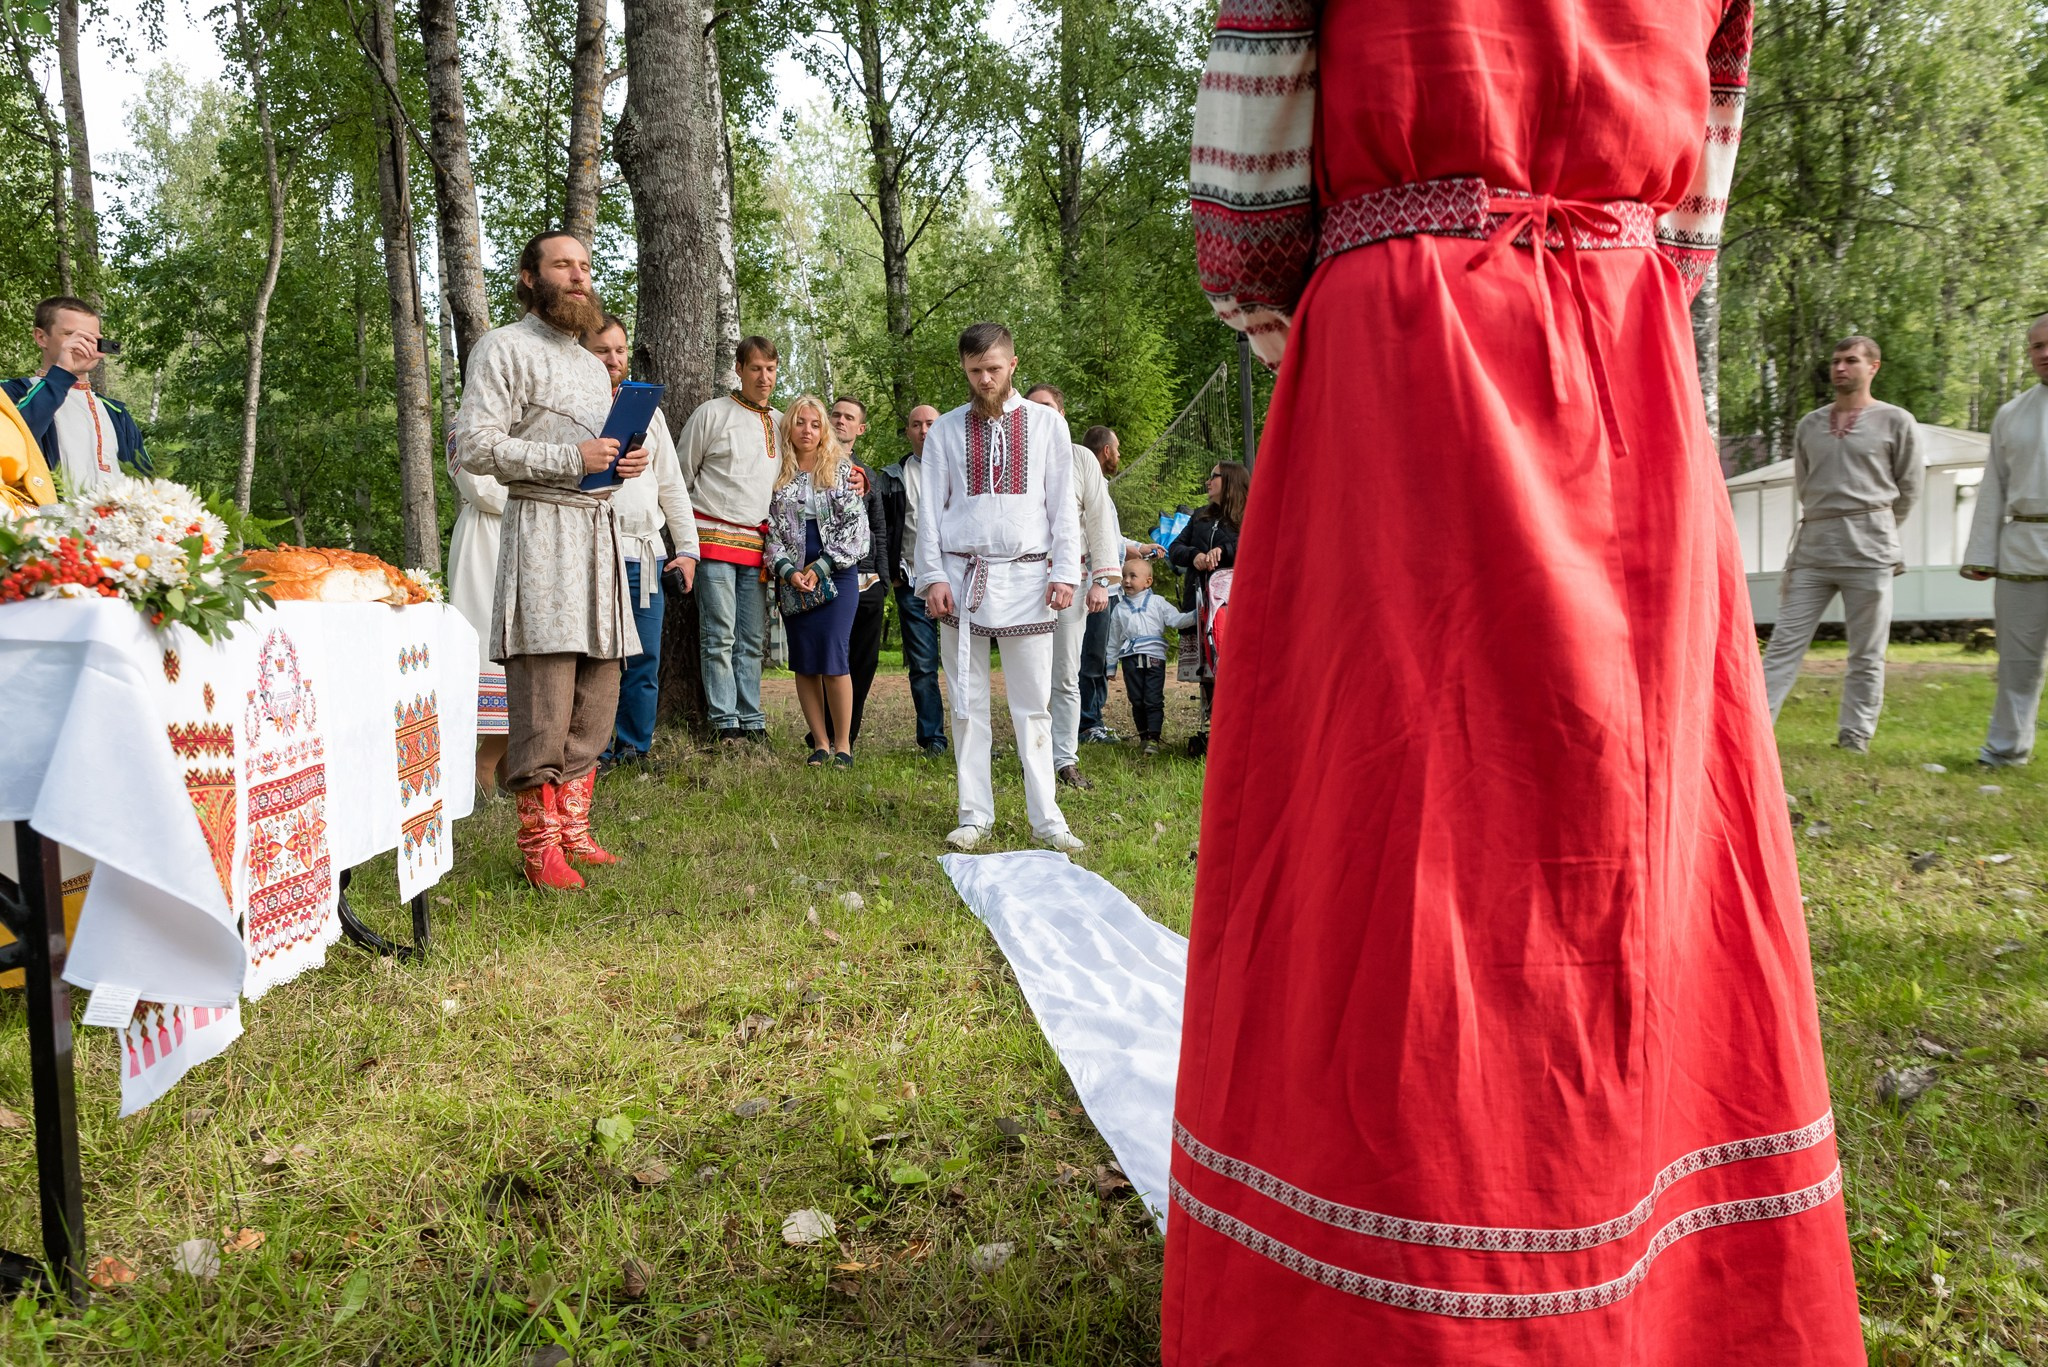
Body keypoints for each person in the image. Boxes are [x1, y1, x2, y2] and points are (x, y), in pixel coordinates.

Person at [1166, 2, 1862, 1363]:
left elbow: (1244, 222)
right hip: (1625, 356)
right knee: (1626, 819)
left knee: (1394, 820)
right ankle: (1660, 1281)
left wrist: (1327, 294)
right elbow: (1697, 223)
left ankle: (1381, 1286)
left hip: (1405, 351)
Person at [454, 229, 646, 892]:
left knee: (599, 683)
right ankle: (539, 844)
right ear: (531, 275)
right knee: (545, 685)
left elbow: (596, 461)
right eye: (563, 264)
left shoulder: (595, 365)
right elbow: (473, 445)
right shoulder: (502, 348)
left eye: (586, 266)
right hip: (538, 529)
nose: (578, 276)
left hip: (598, 532)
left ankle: (574, 828)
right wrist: (570, 460)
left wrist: (621, 463)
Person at [914, 322, 1084, 853]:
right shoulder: (944, 431)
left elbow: (1062, 505)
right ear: (963, 370)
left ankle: (1047, 819)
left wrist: (1065, 572)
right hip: (963, 577)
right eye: (974, 371)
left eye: (993, 368)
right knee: (966, 703)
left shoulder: (1047, 427)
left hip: (1030, 577)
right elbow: (931, 512)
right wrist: (933, 576)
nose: (984, 379)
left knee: (1033, 704)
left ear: (1013, 364)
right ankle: (974, 814)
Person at [1757, 336, 1923, 752]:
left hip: (1870, 549)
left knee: (1866, 651)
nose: (1841, 368)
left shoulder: (1896, 421)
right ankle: (1754, 730)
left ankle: (1855, 736)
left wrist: (1877, 527)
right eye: (1835, 361)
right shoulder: (1810, 425)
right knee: (1784, 643)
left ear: (1874, 367)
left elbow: (1909, 488)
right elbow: (1804, 483)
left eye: (1851, 360)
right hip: (1814, 548)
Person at [584, 315, 700, 772]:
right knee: (594, 654)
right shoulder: (573, 406)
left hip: (646, 552)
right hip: (593, 548)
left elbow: (671, 485)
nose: (613, 360)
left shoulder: (649, 412)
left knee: (644, 654)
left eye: (619, 350)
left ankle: (634, 747)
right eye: (602, 351)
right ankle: (592, 748)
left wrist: (687, 550)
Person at [677, 336, 782, 743]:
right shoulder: (711, 414)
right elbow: (681, 477)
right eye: (756, 368)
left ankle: (751, 715)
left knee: (753, 637)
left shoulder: (779, 421)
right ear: (739, 369)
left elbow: (808, 465)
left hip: (758, 547)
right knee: (719, 633)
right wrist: (684, 540)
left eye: (771, 369)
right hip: (713, 537)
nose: (764, 377)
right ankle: (725, 721)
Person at [1024, 383, 1124, 791]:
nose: (1040, 413)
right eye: (1032, 408)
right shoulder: (1017, 458)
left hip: (1074, 580)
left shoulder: (1082, 459)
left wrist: (1101, 580)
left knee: (1065, 674)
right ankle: (1031, 754)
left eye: (1047, 407)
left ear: (1061, 413)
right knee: (1028, 674)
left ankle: (1063, 759)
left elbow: (1100, 521)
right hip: (1025, 580)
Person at [1961, 313, 2048, 767]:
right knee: (2018, 661)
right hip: (2022, 553)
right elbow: (1992, 487)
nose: (2044, 353)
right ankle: (2006, 750)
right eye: (2036, 346)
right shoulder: (2012, 414)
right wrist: (1981, 555)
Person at [765, 395, 870, 767]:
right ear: (789, 428)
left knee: (834, 654)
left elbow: (857, 529)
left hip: (836, 572)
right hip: (793, 577)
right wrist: (788, 571)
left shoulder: (842, 470)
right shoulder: (777, 473)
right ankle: (820, 744)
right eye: (799, 423)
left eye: (814, 424)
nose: (807, 430)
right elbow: (771, 533)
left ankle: (843, 745)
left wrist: (823, 565)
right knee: (806, 660)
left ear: (823, 429)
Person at [4, 296, 150, 497]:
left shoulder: (117, 413)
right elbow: (11, 444)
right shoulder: (10, 392)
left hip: (113, 525)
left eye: (92, 338)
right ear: (41, 337)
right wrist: (62, 372)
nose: (83, 345)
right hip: (39, 524)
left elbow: (145, 480)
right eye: (70, 334)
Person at [808, 394, 891, 751]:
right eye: (835, 415)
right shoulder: (808, 465)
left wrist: (884, 580)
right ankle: (822, 735)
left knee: (862, 661)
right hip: (822, 576)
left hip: (866, 577)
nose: (840, 421)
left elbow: (879, 530)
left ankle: (848, 736)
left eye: (848, 417)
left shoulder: (868, 476)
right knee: (828, 657)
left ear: (861, 428)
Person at [1077, 424, 1164, 744]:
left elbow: (1113, 539)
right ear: (1106, 451)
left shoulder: (1101, 486)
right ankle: (1087, 724)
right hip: (1094, 586)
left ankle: (1092, 719)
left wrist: (1142, 549)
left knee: (1099, 656)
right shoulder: (1088, 486)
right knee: (1092, 658)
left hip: (1110, 587)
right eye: (1117, 448)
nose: (1120, 454)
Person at [876, 405, 949, 756]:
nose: (924, 430)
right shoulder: (894, 477)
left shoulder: (959, 470)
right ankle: (933, 739)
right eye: (916, 425)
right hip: (912, 582)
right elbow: (883, 528)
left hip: (959, 582)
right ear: (908, 432)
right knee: (922, 665)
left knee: (966, 663)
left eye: (931, 424)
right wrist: (889, 574)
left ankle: (974, 737)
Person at [444, 432, 512, 794]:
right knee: (490, 640)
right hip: (485, 538)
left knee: (517, 646)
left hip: (520, 535)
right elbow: (479, 487)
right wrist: (536, 493)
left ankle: (501, 767)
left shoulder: (520, 418)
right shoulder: (463, 428)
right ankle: (482, 765)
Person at [1167, 461, 1246, 756]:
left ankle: (1236, 726)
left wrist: (1223, 551)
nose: (1207, 482)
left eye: (1213, 477)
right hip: (1200, 601)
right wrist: (1196, 556)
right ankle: (1214, 727)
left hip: (1234, 605)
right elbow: (1175, 548)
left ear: (1229, 481)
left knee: (1234, 664)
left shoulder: (1248, 515)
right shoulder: (1199, 516)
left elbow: (1254, 545)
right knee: (1208, 667)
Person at [1105, 556, 1194, 754]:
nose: (1127, 581)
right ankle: (1144, 736)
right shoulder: (1119, 609)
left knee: (1152, 698)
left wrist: (1196, 615)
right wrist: (1111, 665)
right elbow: (1114, 640)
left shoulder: (1157, 602)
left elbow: (1176, 620)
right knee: (1136, 699)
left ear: (1148, 582)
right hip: (1130, 659)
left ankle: (1154, 737)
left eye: (1133, 576)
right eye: (1124, 576)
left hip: (1154, 659)